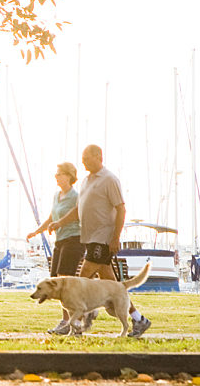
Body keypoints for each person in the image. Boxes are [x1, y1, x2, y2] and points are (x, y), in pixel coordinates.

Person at [51, 144, 151, 338]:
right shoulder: (86, 181)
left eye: (87, 159)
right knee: (114, 286)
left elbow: (121, 209)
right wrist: (59, 223)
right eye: (82, 159)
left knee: (82, 277)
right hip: (89, 237)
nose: (83, 162)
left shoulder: (109, 179)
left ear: (98, 157)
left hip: (103, 238)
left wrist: (115, 237)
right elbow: (78, 210)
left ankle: (77, 324)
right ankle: (139, 319)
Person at [27, 161, 85, 334]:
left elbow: (77, 215)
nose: (56, 176)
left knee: (62, 281)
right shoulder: (56, 195)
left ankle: (68, 323)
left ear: (69, 176)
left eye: (59, 173)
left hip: (74, 240)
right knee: (55, 279)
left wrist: (59, 223)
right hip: (60, 241)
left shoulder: (76, 196)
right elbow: (51, 217)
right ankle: (69, 321)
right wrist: (37, 231)